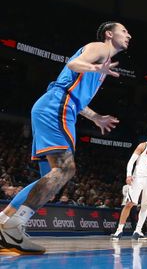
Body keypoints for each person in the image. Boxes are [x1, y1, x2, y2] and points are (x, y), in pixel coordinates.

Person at [0, 22, 129, 255]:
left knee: (50, 181)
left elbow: (78, 99)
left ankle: (5, 221)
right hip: (58, 106)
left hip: (59, 106)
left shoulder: (102, 62)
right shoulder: (100, 48)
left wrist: (95, 118)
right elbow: (73, 64)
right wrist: (95, 69)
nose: (129, 35)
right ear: (110, 34)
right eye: (124, 31)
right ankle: (14, 225)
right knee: (65, 170)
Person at [111, 128, 147, 240]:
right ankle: (119, 230)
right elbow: (131, 161)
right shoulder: (143, 145)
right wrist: (128, 175)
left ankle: (138, 231)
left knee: (145, 205)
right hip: (139, 176)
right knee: (130, 203)